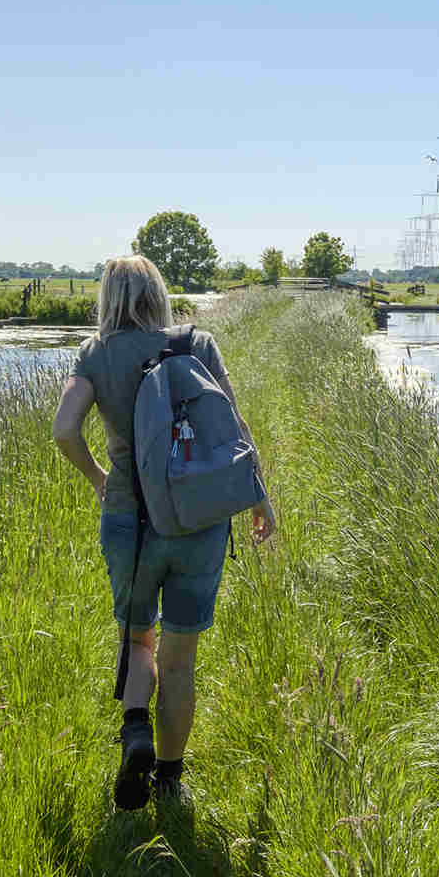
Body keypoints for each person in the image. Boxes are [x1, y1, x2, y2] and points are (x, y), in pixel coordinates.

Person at [51, 256, 275, 810]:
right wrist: (259, 497)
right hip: (200, 519)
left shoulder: (94, 354)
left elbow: (63, 429)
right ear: (157, 293)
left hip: (130, 520)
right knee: (180, 658)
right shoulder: (197, 345)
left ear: (109, 298)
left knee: (137, 641)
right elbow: (236, 428)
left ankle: (135, 732)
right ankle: (170, 783)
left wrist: (100, 479)